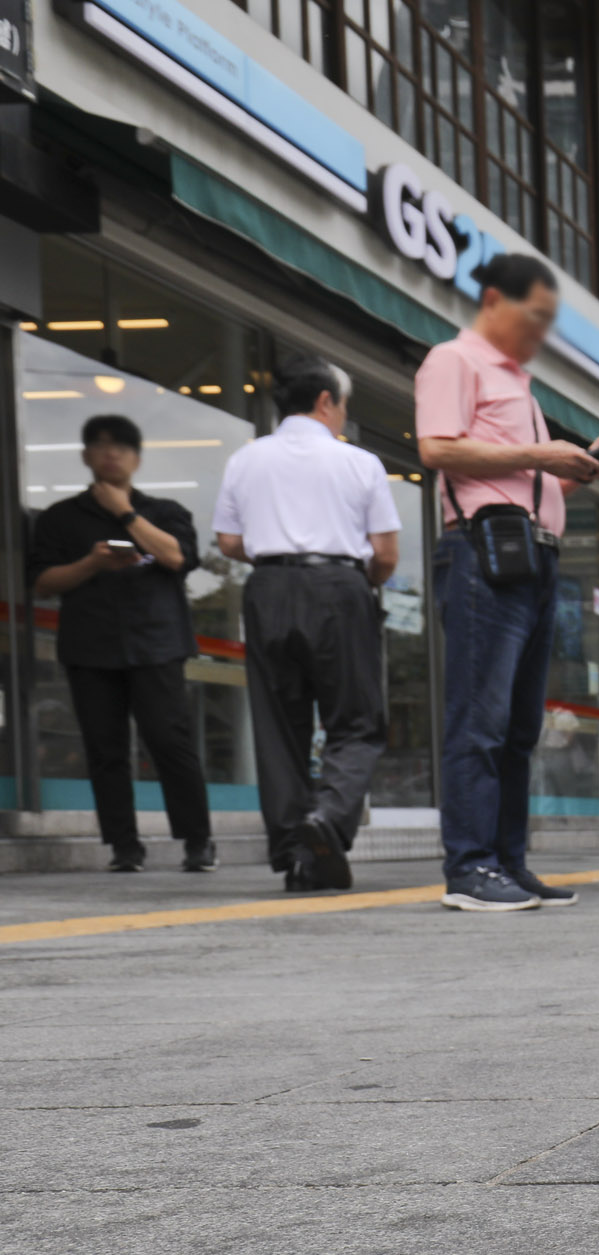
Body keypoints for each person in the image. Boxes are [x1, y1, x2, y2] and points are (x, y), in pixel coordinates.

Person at [416, 253, 599, 912]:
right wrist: (540, 452)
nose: (541, 331)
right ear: (493, 300)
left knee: (518, 726)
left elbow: (524, 479)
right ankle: (469, 866)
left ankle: (506, 859)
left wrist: (580, 465)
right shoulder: (455, 361)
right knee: (478, 719)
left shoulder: (519, 383)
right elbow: (438, 448)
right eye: (535, 316)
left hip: (533, 556)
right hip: (482, 552)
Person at [212, 357, 400, 891]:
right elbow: (385, 555)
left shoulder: (245, 460)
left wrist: (278, 551)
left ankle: (298, 853)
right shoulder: (358, 463)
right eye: (343, 405)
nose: (343, 415)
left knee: (279, 728)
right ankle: (328, 820)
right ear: (325, 402)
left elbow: (227, 541)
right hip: (339, 589)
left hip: (267, 589)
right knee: (358, 721)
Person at [26, 415, 214, 873]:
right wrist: (91, 563)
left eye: (122, 446)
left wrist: (125, 514)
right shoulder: (60, 518)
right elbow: (42, 582)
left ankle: (198, 840)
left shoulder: (166, 511)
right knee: (104, 749)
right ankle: (124, 847)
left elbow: (177, 557)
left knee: (170, 743)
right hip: (90, 645)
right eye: (101, 445)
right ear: (86, 455)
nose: (112, 453)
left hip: (158, 644)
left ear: (137, 458)